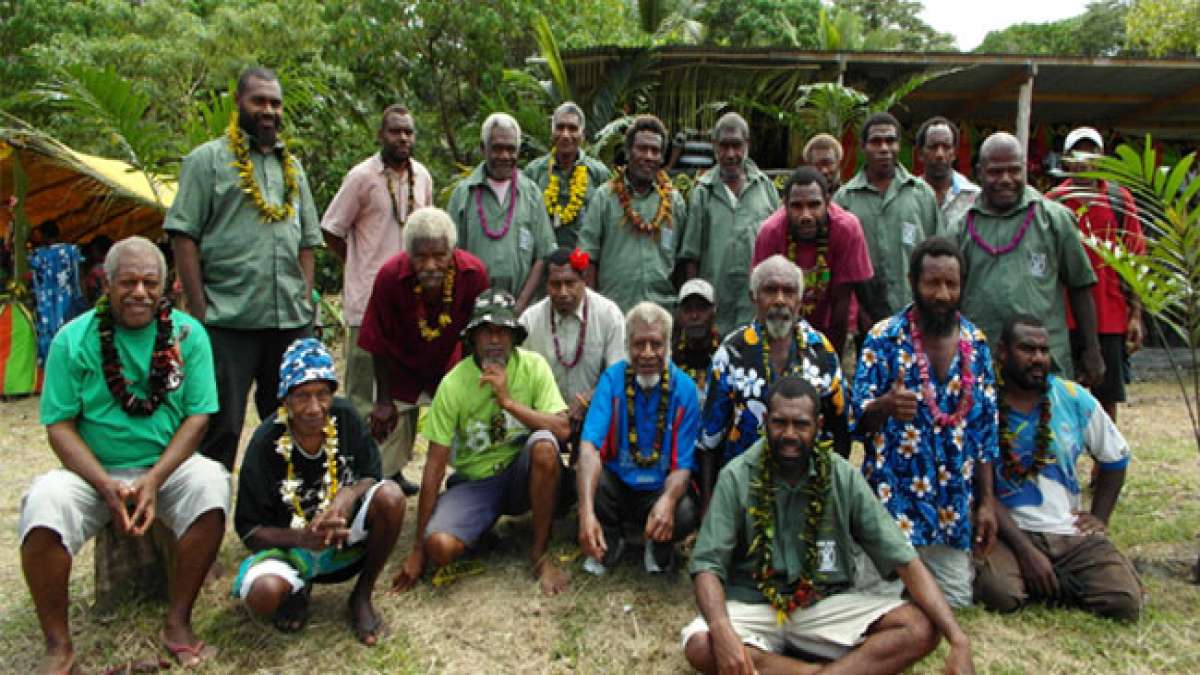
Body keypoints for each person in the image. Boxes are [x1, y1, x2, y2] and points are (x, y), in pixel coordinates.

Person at [19, 237, 229, 671]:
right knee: (42, 505)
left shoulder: (190, 335)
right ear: (107, 285)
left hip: (167, 469)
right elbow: (58, 426)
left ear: (165, 287)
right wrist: (104, 484)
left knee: (212, 484)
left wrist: (153, 480)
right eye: (128, 282)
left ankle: (178, 623)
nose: (139, 292)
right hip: (92, 475)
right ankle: (58, 646)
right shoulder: (71, 340)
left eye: (150, 282)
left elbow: (198, 418)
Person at [681, 375, 974, 675]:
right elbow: (707, 565)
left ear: (819, 426)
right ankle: (810, 671)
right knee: (701, 644)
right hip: (754, 605)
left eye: (802, 424)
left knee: (920, 628)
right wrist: (721, 629)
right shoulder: (737, 475)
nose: (790, 434)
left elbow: (904, 560)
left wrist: (959, 639)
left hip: (823, 607)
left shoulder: (841, 475)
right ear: (766, 421)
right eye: (780, 423)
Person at [166, 66, 323, 471]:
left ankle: (286, 508)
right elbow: (184, 236)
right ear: (238, 103)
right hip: (227, 319)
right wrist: (199, 312)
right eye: (259, 101)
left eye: (275, 102)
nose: (268, 110)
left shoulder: (294, 166)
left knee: (291, 422)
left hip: (288, 320)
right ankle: (207, 516)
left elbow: (308, 241)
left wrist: (304, 298)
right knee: (221, 425)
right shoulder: (207, 161)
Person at [391, 289, 572, 596]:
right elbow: (434, 465)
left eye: (503, 332)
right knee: (440, 548)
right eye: (486, 331)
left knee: (544, 444)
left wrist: (509, 403)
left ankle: (539, 554)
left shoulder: (533, 366)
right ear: (472, 337)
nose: (494, 340)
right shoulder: (454, 383)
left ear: (514, 337)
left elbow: (563, 429)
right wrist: (418, 548)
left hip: (521, 474)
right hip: (476, 482)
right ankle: (481, 530)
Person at [850, 237, 999, 608]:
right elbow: (856, 422)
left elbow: (984, 436)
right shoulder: (883, 339)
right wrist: (885, 405)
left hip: (950, 514)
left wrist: (986, 503)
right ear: (913, 281)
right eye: (932, 283)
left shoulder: (976, 344)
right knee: (874, 605)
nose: (943, 294)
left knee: (956, 603)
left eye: (952, 284)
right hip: (892, 508)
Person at [232, 338, 406, 646]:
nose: (314, 408)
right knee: (264, 595)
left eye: (322, 394)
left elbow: (371, 476)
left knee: (391, 497)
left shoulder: (346, 418)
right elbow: (249, 530)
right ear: (285, 399)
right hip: (291, 546)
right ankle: (296, 589)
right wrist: (302, 538)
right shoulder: (265, 443)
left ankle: (361, 596)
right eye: (302, 396)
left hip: (343, 539)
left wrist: (346, 498)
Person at [975, 315, 1143, 621]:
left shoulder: (1073, 398)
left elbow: (1115, 458)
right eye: (1027, 349)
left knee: (1124, 601)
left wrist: (1099, 519)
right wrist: (1026, 551)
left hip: (1068, 534)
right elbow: (976, 487)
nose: (1038, 358)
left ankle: (1051, 581)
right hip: (1007, 533)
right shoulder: (982, 402)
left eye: (1043, 350)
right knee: (1001, 594)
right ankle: (1050, 579)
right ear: (1002, 352)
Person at [698, 255, 850, 506]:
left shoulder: (822, 352)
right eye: (770, 290)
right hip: (745, 489)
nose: (780, 300)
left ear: (800, 301)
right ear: (753, 297)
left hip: (808, 491)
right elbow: (710, 438)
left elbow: (840, 431)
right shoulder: (731, 353)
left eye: (788, 291)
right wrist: (708, 507)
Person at [357, 207, 489, 494]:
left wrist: (471, 387)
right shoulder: (390, 276)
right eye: (421, 256)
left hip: (450, 366)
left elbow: (481, 335)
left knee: (472, 425)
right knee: (383, 446)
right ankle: (387, 484)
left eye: (439, 255)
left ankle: (468, 483)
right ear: (408, 254)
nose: (430, 265)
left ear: (452, 251)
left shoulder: (473, 273)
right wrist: (383, 400)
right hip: (400, 369)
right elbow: (376, 340)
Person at [956, 132, 1104, 385]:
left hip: (1046, 360)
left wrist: (1092, 349)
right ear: (979, 172)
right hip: (982, 361)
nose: (1005, 179)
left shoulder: (1054, 219)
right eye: (995, 172)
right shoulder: (960, 227)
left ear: (1025, 169)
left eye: (1014, 171)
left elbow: (1080, 286)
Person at [321, 104, 435, 420]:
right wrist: (356, 263)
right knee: (362, 391)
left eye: (408, 132)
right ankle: (360, 464)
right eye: (395, 131)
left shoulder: (422, 176)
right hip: (367, 302)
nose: (403, 138)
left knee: (405, 391)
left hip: (411, 304)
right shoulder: (361, 177)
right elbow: (331, 229)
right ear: (380, 135)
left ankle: (395, 467)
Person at [576, 302, 701, 574]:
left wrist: (667, 501)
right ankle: (610, 539)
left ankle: (657, 545)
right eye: (638, 344)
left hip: (659, 488)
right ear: (626, 345)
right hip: (618, 484)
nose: (646, 354)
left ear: (668, 345)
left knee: (685, 511)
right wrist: (585, 513)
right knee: (590, 481)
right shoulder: (612, 379)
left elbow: (682, 467)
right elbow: (589, 448)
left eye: (655, 344)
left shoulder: (685, 390)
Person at [1046, 126, 1145, 423]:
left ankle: (1106, 463)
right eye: (1078, 153)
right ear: (1066, 160)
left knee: (1107, 398)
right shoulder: (1053, 202)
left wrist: (1135, 314)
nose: (1085, 160)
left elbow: (1134, 256)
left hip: (1110, 316)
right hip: (1065, 318)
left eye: (1092, 152)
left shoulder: (1118, 199)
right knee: (1064, 395)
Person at [834, 112, 944, 327]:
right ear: (863, 147)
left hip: (915, 314)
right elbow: (839, 265)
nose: (884, 148)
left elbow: (936, 254)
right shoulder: (845, 199)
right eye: (876, 142)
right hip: (865, 320)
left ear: (899, 146)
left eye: (890, 141)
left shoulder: (921, 194)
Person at [753, 167, 874, 354]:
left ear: (827, 202)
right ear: (784, 205)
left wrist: (832, 360)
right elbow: (761, 298)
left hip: (836, 329)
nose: (805, 215)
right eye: (796, 206)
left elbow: (842, 301)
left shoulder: (847, 228)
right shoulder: (770, 232)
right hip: (780, 327)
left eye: (814, 205)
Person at [679, 112, 780, 335]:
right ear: (714, 146)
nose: (731, 154)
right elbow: (691, 255)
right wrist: (696, 305)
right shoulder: (703, 191)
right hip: (716, 306)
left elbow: (779, 248)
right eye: (724, 146)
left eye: (737, 146)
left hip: (755, 304)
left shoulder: (766, 189)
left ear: (748, 145)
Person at [578, 114, 688, 313]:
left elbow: (682, 263)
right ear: (628, 152)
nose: (648, 156)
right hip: (614, 313)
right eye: (642, 148)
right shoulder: (605, 198)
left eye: (655, 151)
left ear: (662, 157)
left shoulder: (674, 202)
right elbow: (588, 258)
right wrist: (591, 310)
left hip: (662, 313)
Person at [519, 247, 625, 452]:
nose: (563, 292)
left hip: (596, 417)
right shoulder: (529, 322)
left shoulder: (609, 314)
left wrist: (587, 399)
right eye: (555, 285)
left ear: (584, 280)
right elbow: (520, 381)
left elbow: (617, 374)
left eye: (570, 283)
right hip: (545, 425)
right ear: (546, 286)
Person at [448, 112, 554, 313]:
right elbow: (451, 257)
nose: (504, 156)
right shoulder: (463, 194)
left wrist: (521, 306)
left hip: (521, 311)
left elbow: (543, 255)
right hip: (473, 310)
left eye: (510, 149)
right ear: (483, 148)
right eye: (497, 148)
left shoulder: (531, 193)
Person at [524, 102, 612, 248]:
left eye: (572, 128)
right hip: (543, 263)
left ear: (582, 136)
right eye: (560, 127)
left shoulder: (599, 174)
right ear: (552, 133)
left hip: (585, 264)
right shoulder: (534, 172)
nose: (565, 135)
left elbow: (610, 223)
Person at [916, 116, 980, 229]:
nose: (940, 154)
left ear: (954, 153)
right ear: (920, 154)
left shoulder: (974, 197)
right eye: (933, 147)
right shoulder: (910, 195)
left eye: (946, 147)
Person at [672, 278, 719, 406]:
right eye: (688, 309)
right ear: (679, 314)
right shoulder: (670, 358)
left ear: (714, 311)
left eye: (701, 308)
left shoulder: (726, 354)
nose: (694, 316)